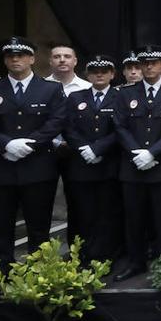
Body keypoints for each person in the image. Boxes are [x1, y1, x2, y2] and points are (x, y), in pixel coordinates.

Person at [0, 37, 66, 274]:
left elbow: (57, 121)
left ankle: (41, 275)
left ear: (32, 59)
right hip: (1, 168)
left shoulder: (50, 89)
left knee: (39, 228)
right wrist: (7, 145)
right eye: (10, 56)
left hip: (37, 167)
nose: (16, 59)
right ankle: (1, 276)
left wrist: (30, 144)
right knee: (2, 228)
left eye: (21, 55)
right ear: (5, 60)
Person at [112, 44, 161, 280]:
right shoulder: (125, 94)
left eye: (153, 63)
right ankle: (136, 262)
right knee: (134, 218)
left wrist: (153, 152)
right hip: (133, 166)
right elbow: (119, 125)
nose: (148, 67)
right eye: (143, 63)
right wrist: (138, 152)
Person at [61, 55, 122, 265]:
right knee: (83, 212)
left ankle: (107, 255)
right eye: (95, 71)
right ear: (88, 74)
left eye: (104, 71)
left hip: (109, 164)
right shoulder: (75, 98)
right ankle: (84, 255)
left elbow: (121, 129)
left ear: (112, 74)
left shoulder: (120, 97)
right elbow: (67, 127)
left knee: (107, 212)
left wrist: (98, 148)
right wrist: (83, 148)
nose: (99, 74)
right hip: (81, 165)